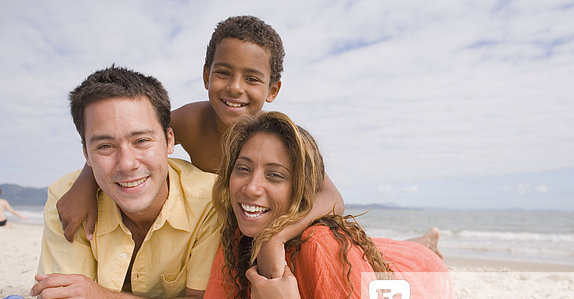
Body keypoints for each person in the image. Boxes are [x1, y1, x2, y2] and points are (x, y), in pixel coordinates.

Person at [55, 15, 440, 278]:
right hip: (231, 231)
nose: (235, 87)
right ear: (206, 75)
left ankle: (419, 246)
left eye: (252, 79)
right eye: (224, 72)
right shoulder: (188, 120)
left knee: (361, 258)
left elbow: (333, 198)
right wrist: (86, 182)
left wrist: (280, 234)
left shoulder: (275, 138)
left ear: (272, 90)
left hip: (275, 229)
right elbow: (131, 138)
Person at [195, 112, 455, 299]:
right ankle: (421, 241)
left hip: (417, 279)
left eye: (275, 175)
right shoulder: (240, 233)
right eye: (243, 169)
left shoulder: (321, 246)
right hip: (369, 261)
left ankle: (425, 247)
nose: (251, 187)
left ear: (300, 190)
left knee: (405, 260)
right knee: (378, 251)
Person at [28, 66, 221, 299]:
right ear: (86, 154)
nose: (127, 163)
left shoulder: (212, 201)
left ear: (170, 139)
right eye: (105, 146)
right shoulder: (66, 198)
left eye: (142, 140)